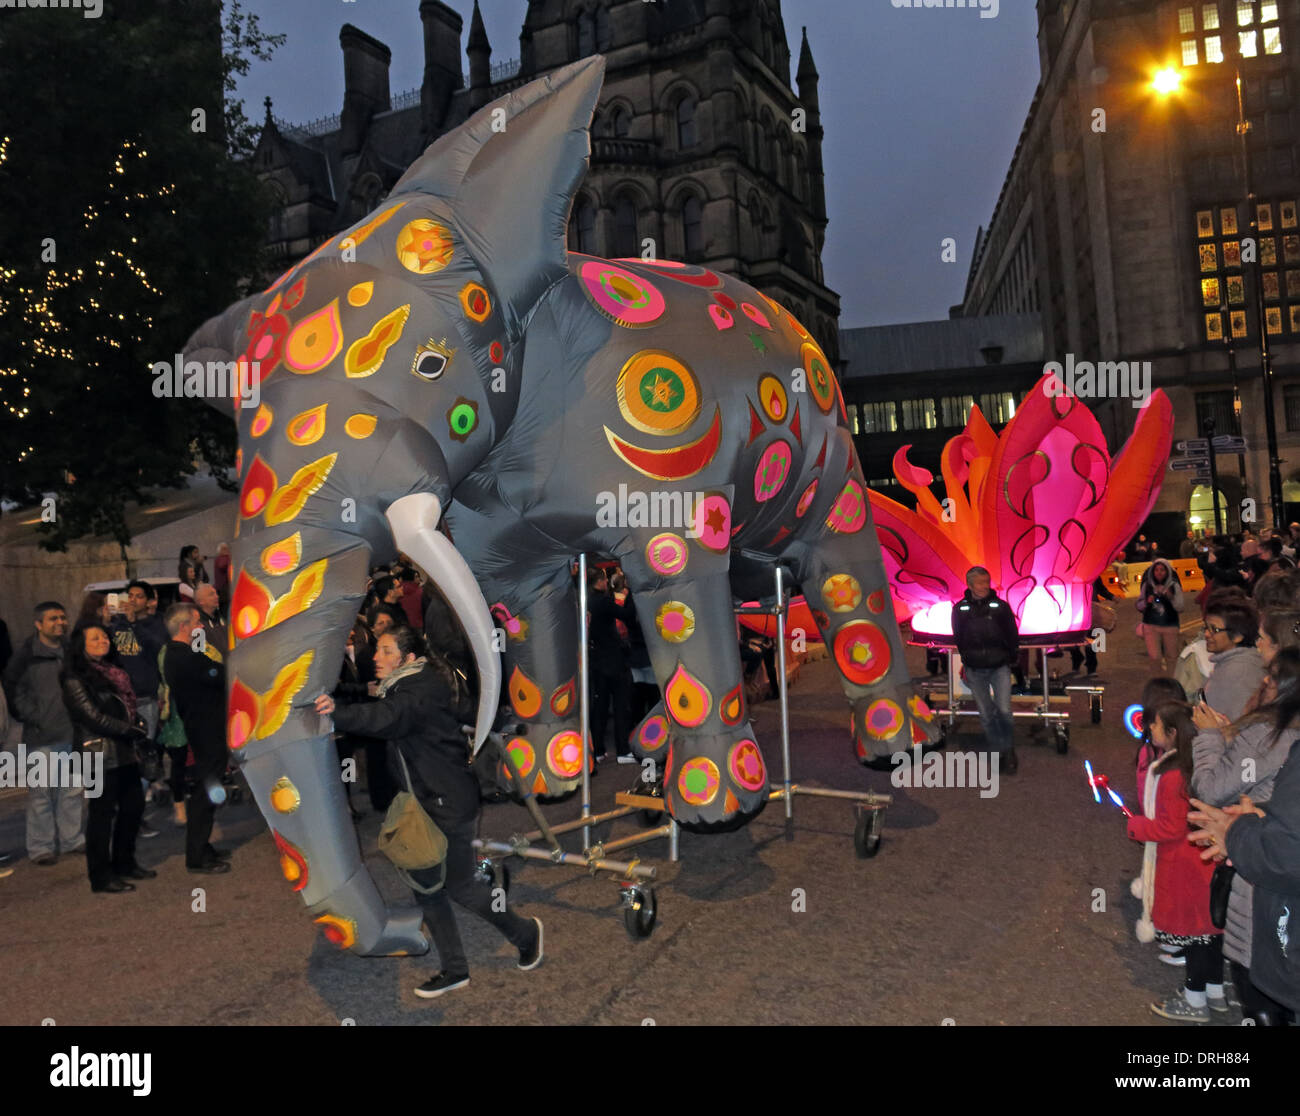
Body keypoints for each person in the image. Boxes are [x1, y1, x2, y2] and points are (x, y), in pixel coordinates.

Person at [315, 626, 543, 998]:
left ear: (406, 658)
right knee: (428, 887)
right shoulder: (415, 680)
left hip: (446, 803)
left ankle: (526, 934)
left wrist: (336, 713)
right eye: (378, 651)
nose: (376, 657)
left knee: (460, 887)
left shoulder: (415, 691)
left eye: (386, 651)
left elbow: (385, 718)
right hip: (432, 800)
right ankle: (455, 969)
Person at [1191, 648, 1300, 1024]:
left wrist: (1208, 738)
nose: (1263, 680)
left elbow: (1210, 789)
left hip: (1261, 896)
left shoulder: (1265, 737)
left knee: (1262, 991)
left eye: (1272, 676)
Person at [1129, 699, 1225, 1022]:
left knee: (1195, 935)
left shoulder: (1171, 775)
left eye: (1154, 725)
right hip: (1205, 864)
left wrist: (1136, 826)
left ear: (1171, 733)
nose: (1149, 729)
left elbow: (1171, 826)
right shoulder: (1196, 765)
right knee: (1211, 933)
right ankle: (1216, 992)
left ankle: (1194, 999)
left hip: (1184, 867)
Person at [61, 624, 155, 893]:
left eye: (104, 636)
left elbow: (125, 706)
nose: (103, 640)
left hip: (124, 750)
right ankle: (100, 877)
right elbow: (92, 716)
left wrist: (135, 723)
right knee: (101, 817)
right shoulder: (74, 678)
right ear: (81, 644)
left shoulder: (115, 671)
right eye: (95, 638)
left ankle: (125, 863)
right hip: (97, 754)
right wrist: (130, 729)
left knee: (133, 808)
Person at [3, 601, 84, 865]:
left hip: (73, 733)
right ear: (39, 624)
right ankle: (41, 847)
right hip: (41, 737)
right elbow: (14, 690)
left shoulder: (71, 651)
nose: (60, 622)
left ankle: (73, 840)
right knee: (41, 795)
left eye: (62, 617)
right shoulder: (26, 656)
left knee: (73, 791)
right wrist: (34, 716)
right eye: (53, 619)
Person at [162, 603, 230, 874]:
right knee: (206, 792)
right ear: (184, 627)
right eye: (197, 623)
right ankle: (197, 854)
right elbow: (220, 674)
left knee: (208, 789)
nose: (201, 627)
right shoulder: (183, 656)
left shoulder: (182, 654)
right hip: (205, 729)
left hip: (205, 727)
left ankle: (203, 847)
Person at [950, 566, 1020, 774]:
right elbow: (958, 636)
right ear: (970, 585)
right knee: (986, 714)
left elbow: (1012, 634)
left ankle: (1008, 750)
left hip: (999, 667)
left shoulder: (1001, 607)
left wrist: (1010, 657)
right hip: (974, 668)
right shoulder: (959, 609)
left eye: (986, 582)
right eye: (980, 583)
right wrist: (967, 658)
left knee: (1004, 710)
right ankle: (998, 749)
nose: (984, 586)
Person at [587, 567, 638, 764]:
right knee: (620, 705)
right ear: (600, 581)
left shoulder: (588, 601)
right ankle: (623, 750)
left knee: (599, 706)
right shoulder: (604, 601)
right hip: (613, 659)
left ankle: (598, 749)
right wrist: (632, 592)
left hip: (597, 658)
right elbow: (626, 614)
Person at [1201, 597, 1265, 722]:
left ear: (1238, 636)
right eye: (1206, 627)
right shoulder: (1236, 662)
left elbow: (1238, 728)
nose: (1207, 634)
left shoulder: (1239, 674)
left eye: (1214, 629)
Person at [1136, 558, 1184, 670]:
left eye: (1162, 570)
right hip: (1151, 626)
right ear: (1152, 571)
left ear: (1167, 571)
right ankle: (1157, 683)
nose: (1159, 572)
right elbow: (1139, 605)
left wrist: (1171, 597)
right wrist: (1147, 602)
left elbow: (1180, 607)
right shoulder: (1147, 585)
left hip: (1170, 625)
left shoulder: (1174, 585)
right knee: (1155, 658)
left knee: (1172, 658)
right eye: (1156, 570)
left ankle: (1172, 682)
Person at [193, 583, 228, 658]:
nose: (217, 597)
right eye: (211, 594)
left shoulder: (222, 617)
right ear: (201, 601)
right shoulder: (197, 626)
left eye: (216, 593)